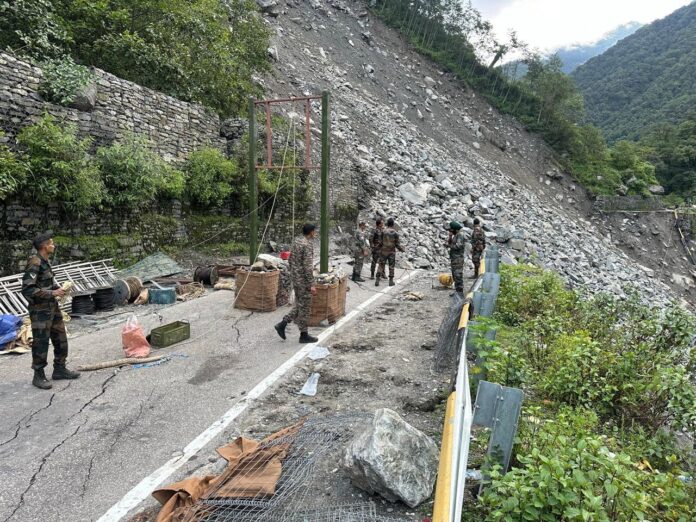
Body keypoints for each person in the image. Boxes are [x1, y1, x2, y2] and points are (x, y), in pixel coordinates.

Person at [21, 232, 80, 390]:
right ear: (44, 246)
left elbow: (46, 283)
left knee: (61, 339)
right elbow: (27, 289)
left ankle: (59, 369)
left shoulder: (45, 261)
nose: (53, 245)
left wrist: (57, 288)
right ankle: (38, 375)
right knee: (41, 343)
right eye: (51, 243)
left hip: (52, 308)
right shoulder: (34, 262)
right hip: (40, 311)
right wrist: (52, 293)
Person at [274, 223, 318, 343]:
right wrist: (312, 284)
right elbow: (307, 267)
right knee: (304, 307)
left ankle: (283, 324)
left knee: (300, 305)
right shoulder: (307, 245)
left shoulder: (297, 241)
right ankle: (303, 335)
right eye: (314, 231)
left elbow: (291, 259)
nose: (315, 233)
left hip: (296, 279)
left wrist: (295, 275)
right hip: (303, 281)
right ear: (311, 232)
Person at [376, 218, 404, 287]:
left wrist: (377, 248)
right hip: (391, 252)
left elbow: (380, 242)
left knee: (381, 265)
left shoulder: (383, 231)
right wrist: (401, 249)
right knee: (391, 266)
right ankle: (391, 281)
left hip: (383, 251)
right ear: (393, 224)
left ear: (387, 224)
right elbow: (397, 244)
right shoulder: (395, 233)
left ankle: (377, 279)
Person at [446, 221, 466, 293]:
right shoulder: (456, 235)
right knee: (454, 275)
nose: (451, 231)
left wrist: (450, 246)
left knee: (458, 275)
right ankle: (457, 291)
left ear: (455, 229)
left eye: (452, 230)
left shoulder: (460, 235)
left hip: (458, 259)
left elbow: (458, 246)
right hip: (454, 258)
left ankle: (460, 292)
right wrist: (450, 236)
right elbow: (450, 243)